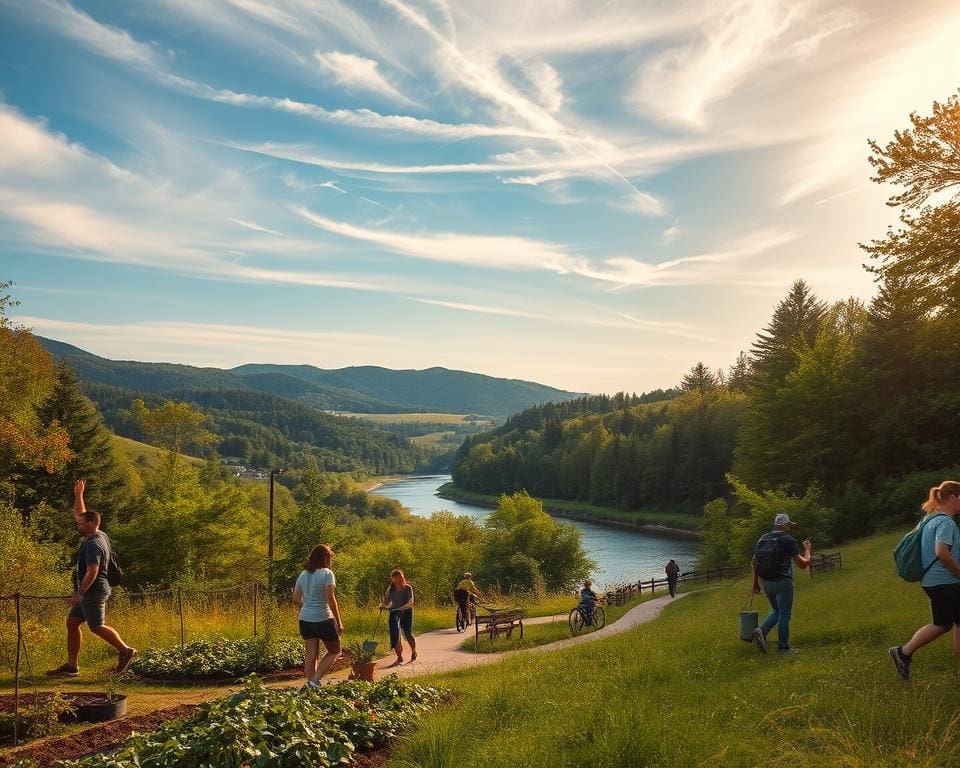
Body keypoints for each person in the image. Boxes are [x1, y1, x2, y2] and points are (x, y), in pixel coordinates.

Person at [46, 480, 136, 677]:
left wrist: (80, 593)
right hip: (90, 591)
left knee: (96, 626)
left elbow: (92, 570)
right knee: (72, 622)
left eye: (80, 524)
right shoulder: (98, 534)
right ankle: (72, 666)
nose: (77, 525)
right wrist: (79, 495)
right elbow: (80, 514)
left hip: (94, 591)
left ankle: (125, 650)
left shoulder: (94, 544)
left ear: (92, 524)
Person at [890, 481, 960, 681]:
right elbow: (941, 552)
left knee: (945, 623)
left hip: (933, 581)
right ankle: (903, 652)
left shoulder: (931, 519)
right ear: (953, 497)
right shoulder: (945, 522)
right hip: (945, 581)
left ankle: (903, 652)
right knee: (951, 623)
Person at [751, 513, 812, 655]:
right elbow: (802, 564)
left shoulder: (763, 539)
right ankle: (783, 649)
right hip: (783, 581)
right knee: (784, 614)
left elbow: (754, 562)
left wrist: (755, 583)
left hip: (767, 582)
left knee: (776, 611)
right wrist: (808, 549)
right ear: (785, 525)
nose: (789, 528)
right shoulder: (787, 539)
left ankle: (761, 631)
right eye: (789, 525)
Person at [293, 544, 343, 687]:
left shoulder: (303, 574)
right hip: (323, 618)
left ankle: (310, 684)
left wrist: (308, 608)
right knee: (335, 651)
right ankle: (315, 680)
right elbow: (330, 599)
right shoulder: (327, 574)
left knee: (311, 653)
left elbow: (295, 599)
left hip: (305, 620)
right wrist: (339, 621)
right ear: (325, 558)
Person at [380, 568, 416, 665]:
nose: (397, 580)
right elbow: (385, 602)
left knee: (408, 633)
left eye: (399, 578)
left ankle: (413, 651)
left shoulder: (408, 588)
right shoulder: (390, 589)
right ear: (392, 579)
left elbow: (411, 602)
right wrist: (382, 606)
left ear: (402, 578)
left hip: (406, 612)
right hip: (394, 612)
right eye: (394, 578)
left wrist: (402, 608)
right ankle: (399, 657)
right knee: (395, 634)